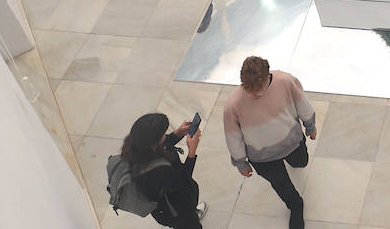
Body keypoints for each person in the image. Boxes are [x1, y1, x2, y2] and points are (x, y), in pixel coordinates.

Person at [223, 56, 317, 229]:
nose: (256, 94)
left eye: (259, 88)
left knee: (301, 162)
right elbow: (232, 137)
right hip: (261, 158)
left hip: (292, 142)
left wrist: (310, 126)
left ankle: (295, 163)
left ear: (267, 75)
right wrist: (240, 163)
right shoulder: (233, 105)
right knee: (280, 183)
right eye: (250, 89)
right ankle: (295, 205)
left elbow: (302, 104)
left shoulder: (285, 81)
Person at [121, 112, 207, 228]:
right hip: (176, 211)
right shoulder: (156, 171)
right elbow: (183, 179)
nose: (165, 135)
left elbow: (163, 145)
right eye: (163, 134)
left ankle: (191, 216)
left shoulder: (136, 147)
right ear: (153, 142)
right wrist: (192, 151)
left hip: (169, 204)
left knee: (188, 219)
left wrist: (178, 133)